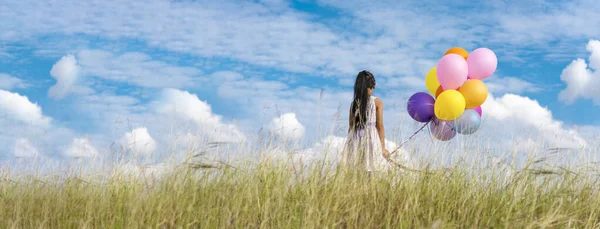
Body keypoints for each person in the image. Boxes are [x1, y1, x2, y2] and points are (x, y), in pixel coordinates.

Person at [341, 70, 391, 173]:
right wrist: (383, 148)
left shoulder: (353, 104)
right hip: (371, 141)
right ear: (374, 85)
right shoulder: (377, 102)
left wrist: (349, 147)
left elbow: (351, 127)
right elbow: (380, 126)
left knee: (356, 172)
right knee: (372, 170)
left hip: (355, 140)